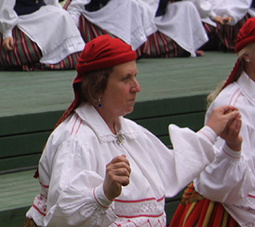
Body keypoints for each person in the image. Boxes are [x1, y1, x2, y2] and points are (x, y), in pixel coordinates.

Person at [25, 35, 242, 226]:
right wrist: (103, 193)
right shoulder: (76, 140)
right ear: (97, 86)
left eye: (135, 76)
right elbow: (62, 215)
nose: (137, 87)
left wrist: (212, 130)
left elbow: (170, 168)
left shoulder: (126, 129)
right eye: (126, 78)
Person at [170, 17, 255, 226]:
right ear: (247, 54)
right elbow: (222, 183)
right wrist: (233, 148)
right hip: (236, 213)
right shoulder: (233, 105)